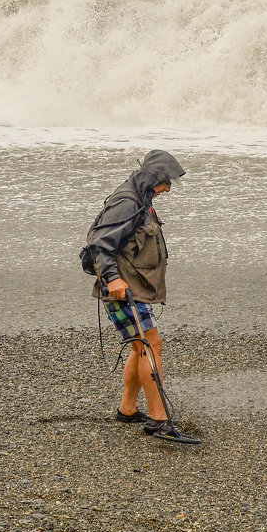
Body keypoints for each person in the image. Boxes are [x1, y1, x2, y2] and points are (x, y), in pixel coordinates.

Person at [83, 150, 186, 439]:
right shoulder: (126, 203)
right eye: (166, 182)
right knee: (151, 344)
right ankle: (159, 419)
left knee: (140, 345)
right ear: (153, 178)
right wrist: (113, 279)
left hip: (134, 286)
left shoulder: (141, 198)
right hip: (122, 288)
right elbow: (98, 244)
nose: (168, 188)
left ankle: (127, 410)